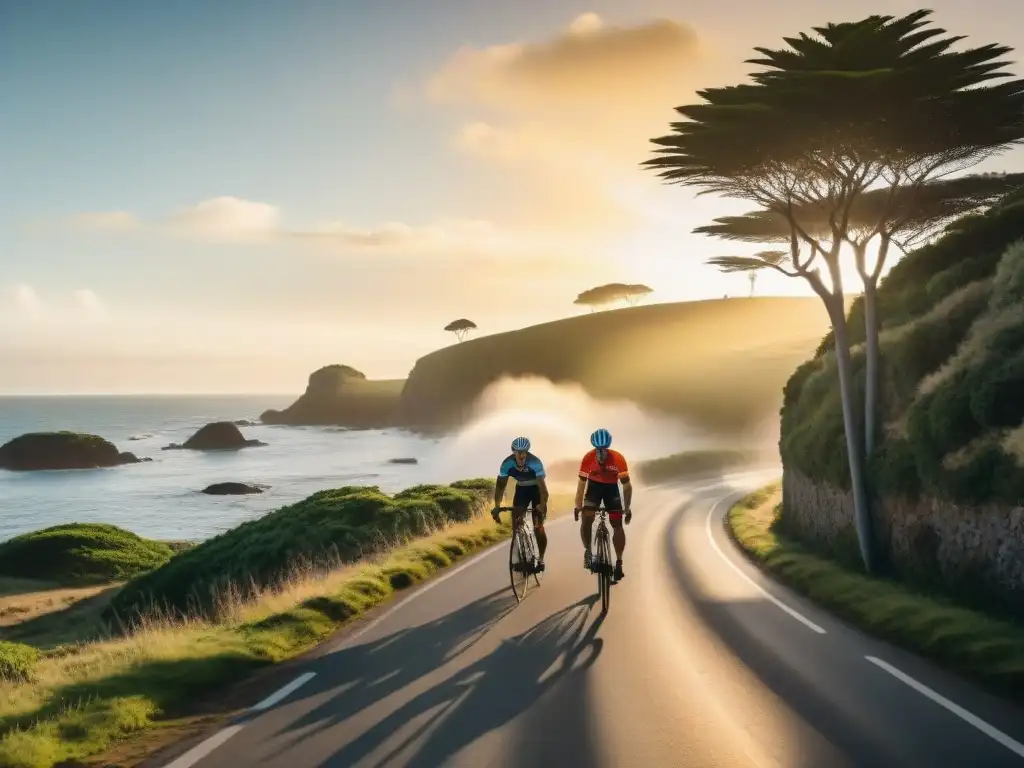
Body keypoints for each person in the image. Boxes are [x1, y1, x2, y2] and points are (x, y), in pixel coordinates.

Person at [574, 428, 632, 581]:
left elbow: (627, 486)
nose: (601, 454)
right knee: (586, 517)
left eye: (604, 450)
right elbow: (581, 484)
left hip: (611, 490)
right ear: (594, 449)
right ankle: (588, 551)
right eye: (598, 450)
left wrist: (627, 508)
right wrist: (577, 505)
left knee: (617, 524)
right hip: (594, 489)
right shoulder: (588, 458)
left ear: (608, 448)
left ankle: (619, 561)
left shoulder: (618, 459)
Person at [492, 436, 549, 571]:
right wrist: (497, 505)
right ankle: (521, 551)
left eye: (525, 452)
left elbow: (544, 491)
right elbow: (500, 486)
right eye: (519, 452)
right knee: (516, 522)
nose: (522, 455)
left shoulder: (535, 463)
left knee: (538, 527)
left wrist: (541, 505)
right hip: (522, 489)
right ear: (513, 452)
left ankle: (541, 559)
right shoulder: (507, 464)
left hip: (537, 490)